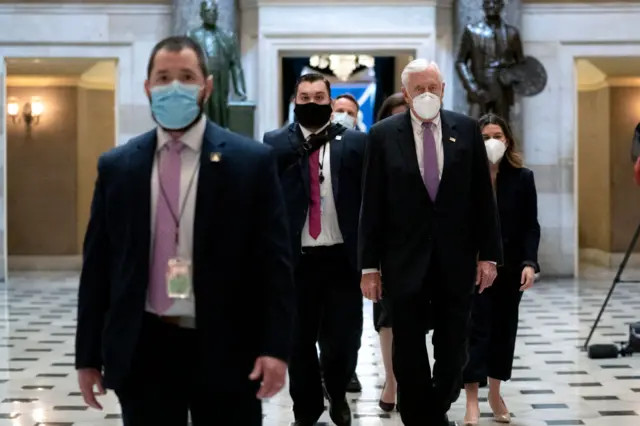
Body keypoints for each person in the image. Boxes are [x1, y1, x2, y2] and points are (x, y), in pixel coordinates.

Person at [74, 36, 294, 426]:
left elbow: (274, 265)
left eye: (187, 76)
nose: (174, 87)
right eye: (163, 77)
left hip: (228, 347)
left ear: (206, 85)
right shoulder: (118, 167)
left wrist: (276, 348)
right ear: (147, 88)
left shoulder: (252, 163)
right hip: (144, 347)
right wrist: (87, 355)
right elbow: (98, 268)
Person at [359, 59, 503, 426]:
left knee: (454, 348)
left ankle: (433, 405)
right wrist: (369, 267)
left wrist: (489, 256)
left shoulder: (467, 129)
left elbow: (481, 199)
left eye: (432, 87)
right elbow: (371, 204)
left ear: (442, 89)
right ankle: (423, 419)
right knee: (408, 347)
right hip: (403, 260)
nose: (426, 94)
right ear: (406, 94)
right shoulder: (382, 135)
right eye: (418, 88)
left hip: (454, 260)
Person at [263, 73, 367, 426]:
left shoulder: (354, 144)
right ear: (294, 100)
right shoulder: (275, 144)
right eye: (304, 97)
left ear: (329, 99)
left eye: (319, 97)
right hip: (296, 262)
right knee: (298, 341)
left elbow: (369, 203)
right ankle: (305, 409)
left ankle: (337, 392)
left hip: (341, 259)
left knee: (344, 341)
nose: (311, 103)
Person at [462, 113, 540, 426]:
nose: (492, 141)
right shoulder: (464, 175)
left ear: (507, 140)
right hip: (472, 268)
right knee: (473, 332)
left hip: (508, 269)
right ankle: (471, 400)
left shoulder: (522, 177)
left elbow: (529, 226)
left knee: (503, 332)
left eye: (498, 135)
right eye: (485, 136)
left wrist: (530, 263)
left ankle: (495, 393)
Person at [370, 92, 409, 412]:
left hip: (423, 247)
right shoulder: (376, 146)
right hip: (386, 248)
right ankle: (391, 379)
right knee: (387, 316)